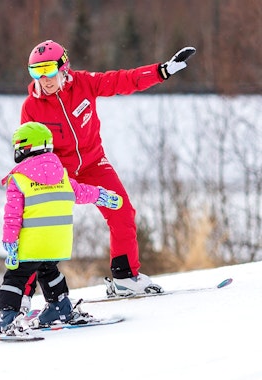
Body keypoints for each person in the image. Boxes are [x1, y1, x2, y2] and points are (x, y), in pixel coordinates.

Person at [21, 40, 196, 295]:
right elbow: (29, 152)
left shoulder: (83, 84)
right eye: (36, 72)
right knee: (40, 228)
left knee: (122, 210)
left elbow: (121, 80)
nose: (44, 79)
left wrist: (161, 71)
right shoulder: (31, 107)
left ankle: (125, 277)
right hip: (58, 173)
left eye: (48, 70)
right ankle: (21, 297)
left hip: (94, 164)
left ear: (64, 68)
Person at [0, 122, 123, 333]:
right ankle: (60, 307)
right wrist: (102, 195)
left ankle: (6, 316)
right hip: (57, 243)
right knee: (48, 269)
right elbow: (82, 192)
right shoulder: (62, 177)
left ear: (25, 148)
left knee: (15, 276)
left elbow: (12, 215)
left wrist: (11, 242)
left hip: (32, 243)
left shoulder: (19, 179)